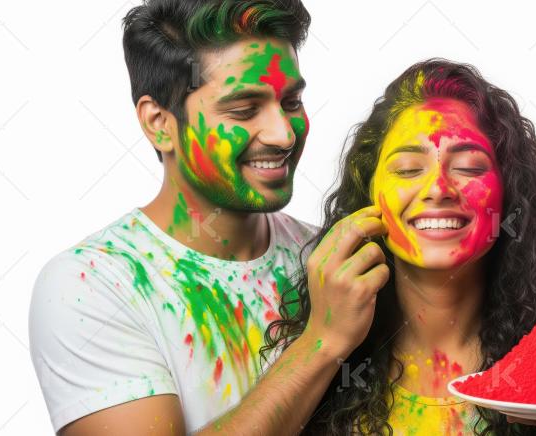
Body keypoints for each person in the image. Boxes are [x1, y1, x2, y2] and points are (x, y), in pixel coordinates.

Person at [29, 1, 389, 434]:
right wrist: (321, 341)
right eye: (243, 109)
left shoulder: (330, 262)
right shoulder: (91, 286)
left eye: (291, 101)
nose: (284, 133)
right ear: (160, 123)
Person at [265, 59, 536, 435]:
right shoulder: (304, 348)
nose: (439, 189)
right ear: (368, 193)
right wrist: (323, 341)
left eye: (469, 168)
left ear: (508, 195)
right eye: (409, 169)